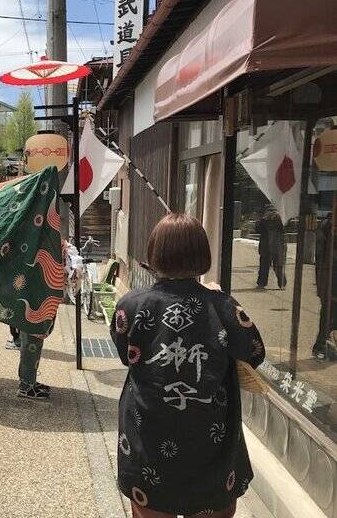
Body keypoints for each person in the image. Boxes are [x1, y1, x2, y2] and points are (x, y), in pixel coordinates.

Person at [110, 214, 265, 518]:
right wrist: (217, 296)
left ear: (155, 254)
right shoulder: (223, 307)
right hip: (210, 441)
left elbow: (123, 354)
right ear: (201, 256)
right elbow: (255, 353)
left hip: (147, 437)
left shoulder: (131, 305)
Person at [314, 212, 335, 360]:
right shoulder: (328, 228)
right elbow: (323, 257)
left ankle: (325, 345)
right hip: (330, 281)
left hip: (328, 281)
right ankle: (322, 345)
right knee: (328, 314)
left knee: (329, 315)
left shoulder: (326, 226)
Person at [255, 206, 286, 289]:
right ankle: (282, 283)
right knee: (278, 266)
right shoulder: (280, 219)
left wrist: (262, 219)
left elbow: (257, 229)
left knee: (264, 266)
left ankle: (262, 283)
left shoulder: (264, 220)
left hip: (266, 247)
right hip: (277, 246)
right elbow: (284, 229)